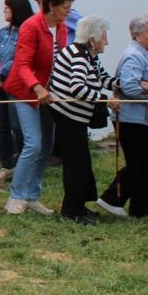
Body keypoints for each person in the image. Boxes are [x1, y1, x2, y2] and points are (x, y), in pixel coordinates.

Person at [3, 0, 74, 217]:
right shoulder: (31, 26)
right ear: (51, 6)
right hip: (24, 90)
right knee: (32, 143)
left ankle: (32, 197)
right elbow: (22, 64)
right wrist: (37, 86)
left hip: (47, 93)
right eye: (65, 8)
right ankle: (15, 196)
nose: (68, 12)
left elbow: (61, 60)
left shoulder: (61, 28)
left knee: (45, 146)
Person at [48, 16, 120, 225]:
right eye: (104, 38)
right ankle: (72, 211)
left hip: (75, 117)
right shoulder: (79, 56)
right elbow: (77, 88)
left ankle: (79, 206)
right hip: (68, 116)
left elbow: (102, 78)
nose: (106, 42)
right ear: (92, 39)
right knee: (75, 164)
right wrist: (106, 100)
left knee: (82, 163)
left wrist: (123, 83)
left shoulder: (89, 55)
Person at [97, 15, 148, 219]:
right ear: (137, 35)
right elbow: (129, 86)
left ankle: (117, 201)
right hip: (131, 119)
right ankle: (133, 207)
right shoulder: (134, 56)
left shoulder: (145, 54)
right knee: (142, 163)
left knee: (141, 164)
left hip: (142, 118)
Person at [0, 0, 33, 185]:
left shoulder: (25, 32)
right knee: (3, 125)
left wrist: (1, 75)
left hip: (14, 84)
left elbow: (18, 59)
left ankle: (23, 164)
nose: (4, 10)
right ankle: (6, 165)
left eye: (7, 8)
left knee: (18, 125)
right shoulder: (1, 33)